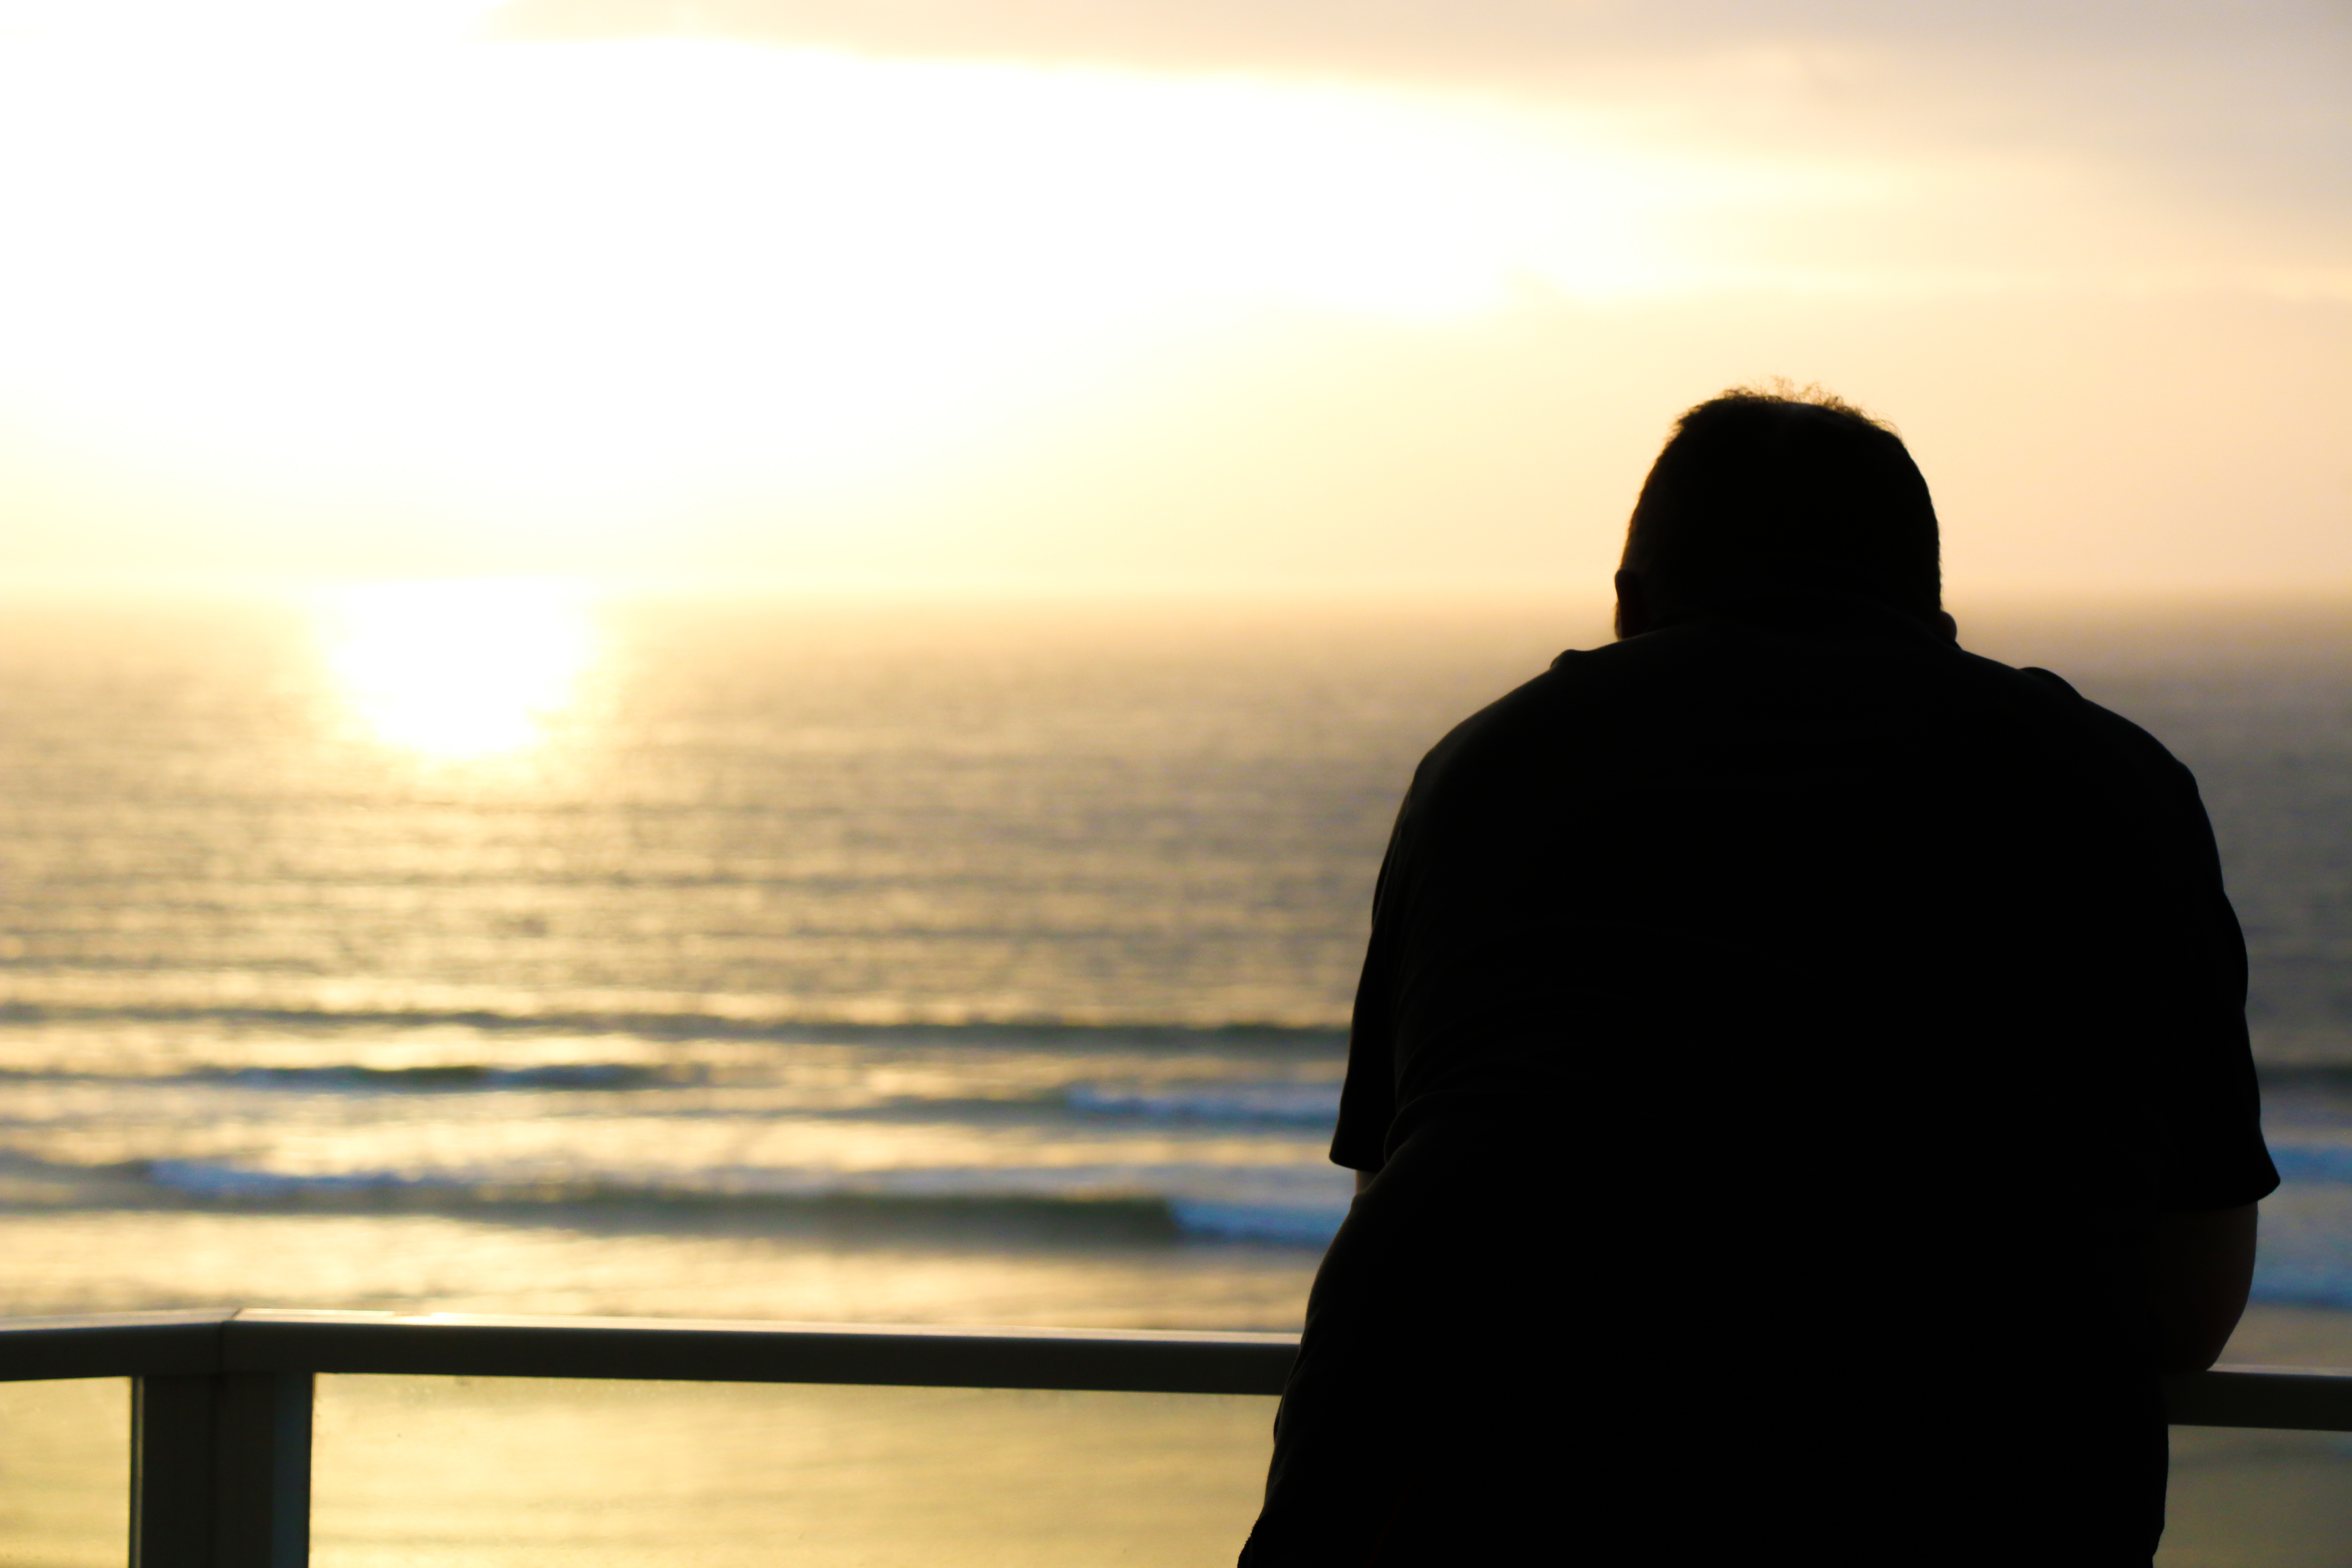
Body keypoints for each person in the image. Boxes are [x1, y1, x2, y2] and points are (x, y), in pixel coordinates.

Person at [1238, 386, 2277, 1566]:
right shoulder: (2115, 783)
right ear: (1931, 615)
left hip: (1443, 1444)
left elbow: (1395, 1186)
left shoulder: (1492, 761)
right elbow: (2191, 1304)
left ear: (1630, 603)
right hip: (1975, 1468)